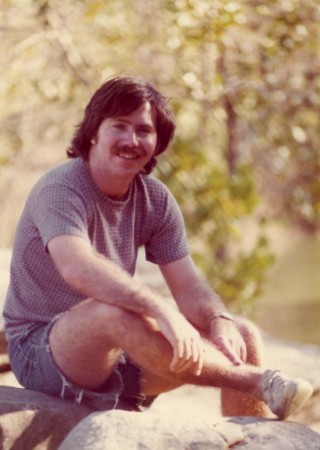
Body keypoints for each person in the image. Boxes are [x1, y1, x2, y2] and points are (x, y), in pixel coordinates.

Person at [3, 76, 312, 418]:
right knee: (112, 312)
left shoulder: (155, 200)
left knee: (242, 333)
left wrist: (217, 318)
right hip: (41, 350)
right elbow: (77, 267)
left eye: (144, 130)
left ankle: (255, 433)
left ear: (157, 141)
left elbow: (189, 283)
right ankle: (256, 382)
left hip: (121, 357)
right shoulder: (61, 189)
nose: (131, 140)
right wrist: (161, 311)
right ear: (94, 132)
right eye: (119, 126)